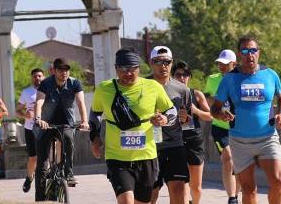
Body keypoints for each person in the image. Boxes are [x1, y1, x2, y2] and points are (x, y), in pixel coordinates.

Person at [90, 48, 177, 204]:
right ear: (116, 68)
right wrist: (95, 138)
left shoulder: (153, 87)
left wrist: (164, 119)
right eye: (123, 69)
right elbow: (95, 114)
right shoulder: (104, 88)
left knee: (142, 201)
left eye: (132, 69)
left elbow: (172, 111)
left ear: (139, 68)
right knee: (126, 201)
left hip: (146, 157)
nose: (128, 73)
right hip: (117, 157)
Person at [212, 36, 281, 204]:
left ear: (258, 53)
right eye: (245, 51)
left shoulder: (270, 74)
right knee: (248, 189)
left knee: (278, 181)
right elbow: (215, 108)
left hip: (268, 137)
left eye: (253, 50)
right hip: (240, 141)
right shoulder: (229, 79)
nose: (250, 55)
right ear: (240, 54)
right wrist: (222, 113)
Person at [34, 58, 89, 200]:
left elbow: (80, 102)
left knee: (68, 138)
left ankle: (68, 172)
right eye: (60, 70)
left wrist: (84, 121)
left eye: (66, 70)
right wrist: (39, 119)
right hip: (46, 124)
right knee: (42, 163)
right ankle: (40, 198)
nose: (64, 73)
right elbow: (39, 101)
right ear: (54, 71)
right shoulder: (46, 83)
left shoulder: (74, 83)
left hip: (66, 123)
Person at [147, 46, 192, 204]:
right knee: (150, 194)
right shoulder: (141, 86)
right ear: (151, 63)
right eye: (158, 61)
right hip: (148, 147)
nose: (163, 65)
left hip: (174, 145)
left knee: (179, 189)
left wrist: (185, 119)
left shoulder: (183, 90)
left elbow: (186, 122)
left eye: (167, 61)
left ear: (172, 63)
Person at [172, 61, 213, 204]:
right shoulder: (166, 94)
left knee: (195, 187)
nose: (182, 78)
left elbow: (210, 116)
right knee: (181, 185)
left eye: (186, 74)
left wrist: (196, 111)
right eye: (178, 75)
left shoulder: (196, 94)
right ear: (172, 76)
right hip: (175, 143)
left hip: (194, 142)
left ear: (189, 76)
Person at [204, 49, 241, 204]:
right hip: (220, 127)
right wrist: (217, 105)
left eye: (225, 64)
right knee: (228, 157)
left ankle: (237, 195)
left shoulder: (242, 79)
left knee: (240, 163)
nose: (222, 66)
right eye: (220, 63)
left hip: (239, 127)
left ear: (234, 64)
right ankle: (231, 198)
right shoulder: (212, 79)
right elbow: (205, 98)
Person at [16, 68, 44, 193]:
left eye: (39, 76)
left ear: (43, 77)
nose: (37, 78)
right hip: (30, 129)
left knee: (48, 153)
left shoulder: (49, 90)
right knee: (33, 158)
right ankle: (29, 177)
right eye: (35, 76)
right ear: (31, 78)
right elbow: (17, 111)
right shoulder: (26, 92)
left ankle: (50, 173)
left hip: (45, 127)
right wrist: (25, 116)